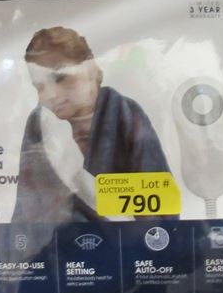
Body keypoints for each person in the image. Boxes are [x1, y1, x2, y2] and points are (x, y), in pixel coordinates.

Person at [12, 26, 173, 223]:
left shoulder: (124, 112)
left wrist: (79, 178)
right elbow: (27, 207)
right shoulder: (39, 124)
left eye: (60, 78)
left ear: (89, 69)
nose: (50, 95)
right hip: (61, 238)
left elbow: (160, 201)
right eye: (39, 87)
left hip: (126, 237)